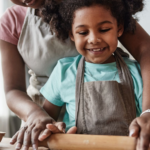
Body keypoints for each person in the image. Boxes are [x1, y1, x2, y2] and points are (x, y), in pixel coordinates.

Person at [0, 0, 150, 150]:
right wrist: (36, 115)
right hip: (50, 128)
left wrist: (148, 112)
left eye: (104, 29)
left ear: (119, 29)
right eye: (83, 32)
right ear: (71, 33)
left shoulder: (134, 73)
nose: (93, 39)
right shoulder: (64, 72)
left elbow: (145, 50)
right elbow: (14, 90)